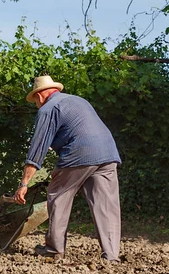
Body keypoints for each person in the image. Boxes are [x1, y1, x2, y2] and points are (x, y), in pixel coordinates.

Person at [13, 75, 122, 262]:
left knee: (58, 194)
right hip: (108, 153)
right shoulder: (78, 100)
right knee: (106, 206)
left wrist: (24, 184)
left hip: (79, 152)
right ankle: (111, 255)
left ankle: (54, 249)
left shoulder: (48, 109)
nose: (36, 104)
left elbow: (37, 150)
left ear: (39, 96)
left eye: (35, 101)